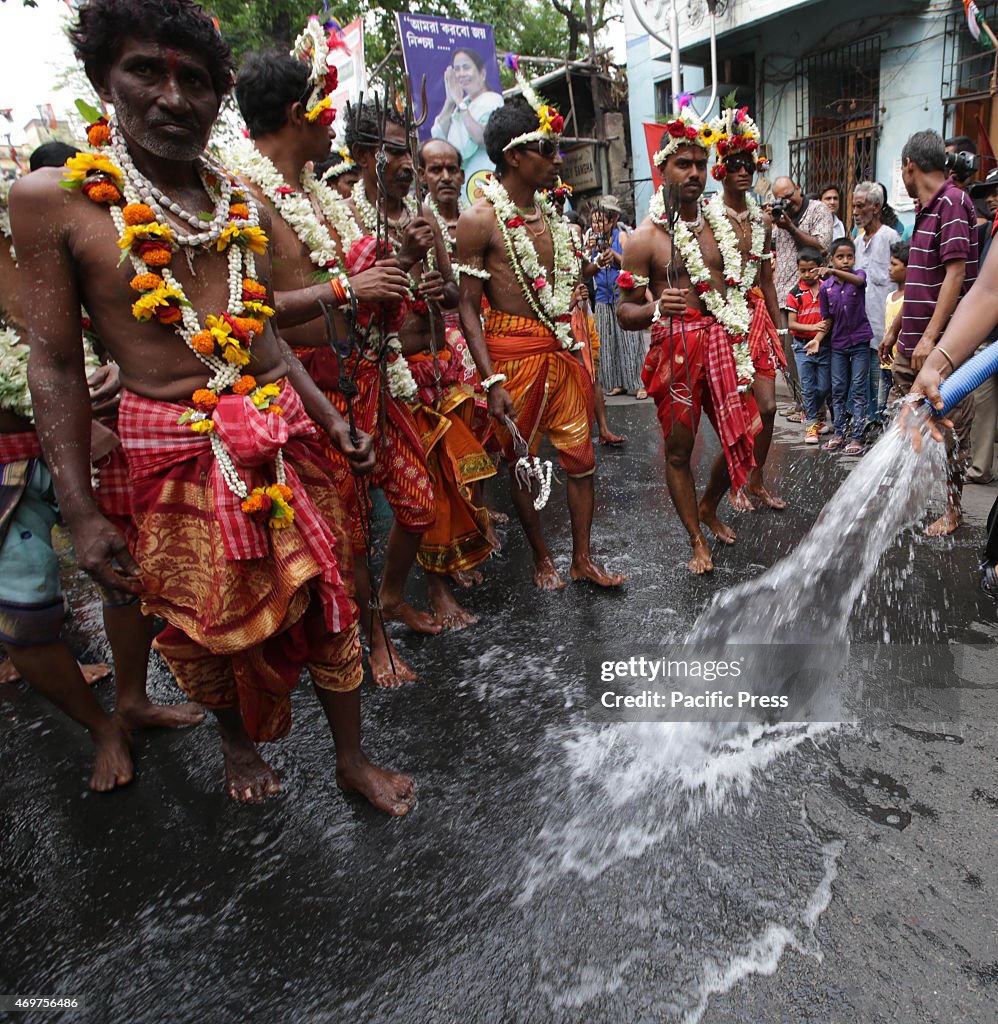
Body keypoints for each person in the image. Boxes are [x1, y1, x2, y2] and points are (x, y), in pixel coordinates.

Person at [11, 0, 414, 812]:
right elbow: (52, 361)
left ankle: (350, 757)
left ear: (217, 96)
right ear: (103, 78)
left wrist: (331, 420)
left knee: (330, 595)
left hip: (276, 430)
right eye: (145, 72)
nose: (171, 96)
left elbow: (258, 333)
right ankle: (236, 746)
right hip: (167, 447)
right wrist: (81, 513)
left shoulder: (235, 200)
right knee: (206, 625)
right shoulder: (53, 198)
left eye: (193, 80)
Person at [1, 140, 206, 790]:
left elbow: (62, 342)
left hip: (92, 433)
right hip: (8, 465)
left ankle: (132, 699)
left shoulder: (35, 231)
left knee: (128, 576)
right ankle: (101, 726)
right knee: (26, 625)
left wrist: (95, 371)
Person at [456, 93, 624, 590]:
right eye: (545, 149)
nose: (556, 159)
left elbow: (567, 279)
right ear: (513, 156)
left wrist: (595, 272)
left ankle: (582, 558)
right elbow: (468, 306)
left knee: (582, 460)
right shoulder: (479, 220)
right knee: (524, 464)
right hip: (510, 356)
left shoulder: (556, 219)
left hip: (558, 349)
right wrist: (491, 380)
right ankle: (541, 558)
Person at [617, 110, 761, 574]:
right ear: (663, 170)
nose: (696, 173)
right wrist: (658, 308)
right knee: (679, 451)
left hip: (722, 344)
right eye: (684, 164)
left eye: (701, 163)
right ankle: (696, 540)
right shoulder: (644, 239)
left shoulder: (723, 223)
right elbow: (624, 312)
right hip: (676, 351)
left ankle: (709, 504)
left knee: (751, 434)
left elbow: (742, 282)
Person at [880, 130, 978, 536]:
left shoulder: (954, 202)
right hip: (910, 348)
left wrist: (930, 340)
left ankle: (953, 510)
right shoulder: (924, 211)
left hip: (940, 352)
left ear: (909, 166)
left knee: (951, 433)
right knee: (903, 426)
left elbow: (956, 275)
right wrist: (897, 329)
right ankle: (907, 499)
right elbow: (920, 281)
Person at [706, 103, 786, 511]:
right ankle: (734, 486)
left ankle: (756, 481)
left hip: (756, 318)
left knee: (769, 408)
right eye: (734, 163)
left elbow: (767, 279)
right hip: (723, 321)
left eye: (749, 164)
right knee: (736, 412)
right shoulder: (706, 218)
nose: (743, 171)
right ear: (720, 169)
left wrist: (781, 330)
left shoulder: (764, 224)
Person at [771, 175, 834, 414]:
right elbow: (771, 246)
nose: (786, 202)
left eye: (789, 196)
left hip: (812, 296)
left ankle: (815, 409)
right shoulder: (780, 218)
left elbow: (821, 247)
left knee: (809, 355)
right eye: (780, 199)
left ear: (799, 188)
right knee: (787, 355)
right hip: (784, 296)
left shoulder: (818, 210)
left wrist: (790, 226)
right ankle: (801, 405)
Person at [584, 196, 647, 400]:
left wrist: (614, 256)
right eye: (594, 221)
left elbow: (631, 264)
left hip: (623, 295)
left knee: (629, 340)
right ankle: (616, 382)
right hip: (603, 296)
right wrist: (592, 253)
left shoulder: (621, 237)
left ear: (612, 221)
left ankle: (639, 383)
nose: (597, 225)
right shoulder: (591, 240)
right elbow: (586, 270)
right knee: (607, 341)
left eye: (601, 220)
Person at [852, 180, 899, 428]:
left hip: (885, 325)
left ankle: (882, 423)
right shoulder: (857, 243)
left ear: (876, 207)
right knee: (865, 379)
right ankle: (870, 422)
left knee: (883, 378)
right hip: (862, 325)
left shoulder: (890, 237)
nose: (856, 212)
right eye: (854, 207)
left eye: (861, 206)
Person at [819, 238, 872, 455]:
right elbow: (827, 318)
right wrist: (817, 338)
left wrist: (833, 272)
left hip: (860, 341)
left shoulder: (858, 276)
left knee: (858, 389)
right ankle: (840, 433)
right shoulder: (826, 288)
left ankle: (857, 437)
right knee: (838, 389)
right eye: (840, 257)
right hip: (838, 344)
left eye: (849, 256)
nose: (845, 261)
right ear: (832, 259)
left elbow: (858, 282)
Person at [431, 47, 503, 203]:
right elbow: (439, 137)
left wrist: (459, 102)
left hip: (484, 174)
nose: (461, 74)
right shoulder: (462, 105)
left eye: (466, 67)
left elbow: (482, 137)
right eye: (457, 69)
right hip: (462, 181)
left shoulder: (493, 100)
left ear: (482, 73)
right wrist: (450, 102)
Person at [965, 169, 998, 484]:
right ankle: (979, 469)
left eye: (996, 190)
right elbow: (985, 291)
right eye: (989, 191)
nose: (991, 197)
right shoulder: (988, 233)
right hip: (990, 342)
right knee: (982, 406)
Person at [786, 248, 831, 444]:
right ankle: (812, 424)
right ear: (798, 270)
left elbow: (829, 318)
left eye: (811, 270)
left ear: (819, 268)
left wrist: (819, 335)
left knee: (824, 386)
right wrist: (812, 326)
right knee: (807, 387)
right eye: (802, 270)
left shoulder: (826, 289)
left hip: (823, 345)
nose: (807, 274)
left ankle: (812, 416)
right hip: (802, 346)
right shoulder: (794, 294)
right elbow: (792, 324)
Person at [878, 241, 908, 424]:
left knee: (899, 407)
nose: (889, 269)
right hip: (886, 364)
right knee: (884, 407)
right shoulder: (890, 297)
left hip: (900, 363)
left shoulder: (909, 299)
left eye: (894, 264)